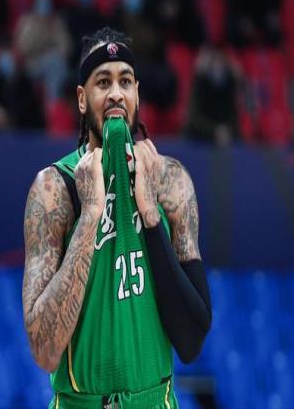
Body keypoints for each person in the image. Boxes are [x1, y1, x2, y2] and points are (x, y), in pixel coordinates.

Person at [23, 27, 211, 409]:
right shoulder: (54, 188)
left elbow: (191, 341)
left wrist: (150, 216)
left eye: (125, 81)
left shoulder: (170, 181)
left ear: (137, 93)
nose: (115, 93)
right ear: (81, 98)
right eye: (102, 82)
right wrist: (90, 215)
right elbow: (44, 350)